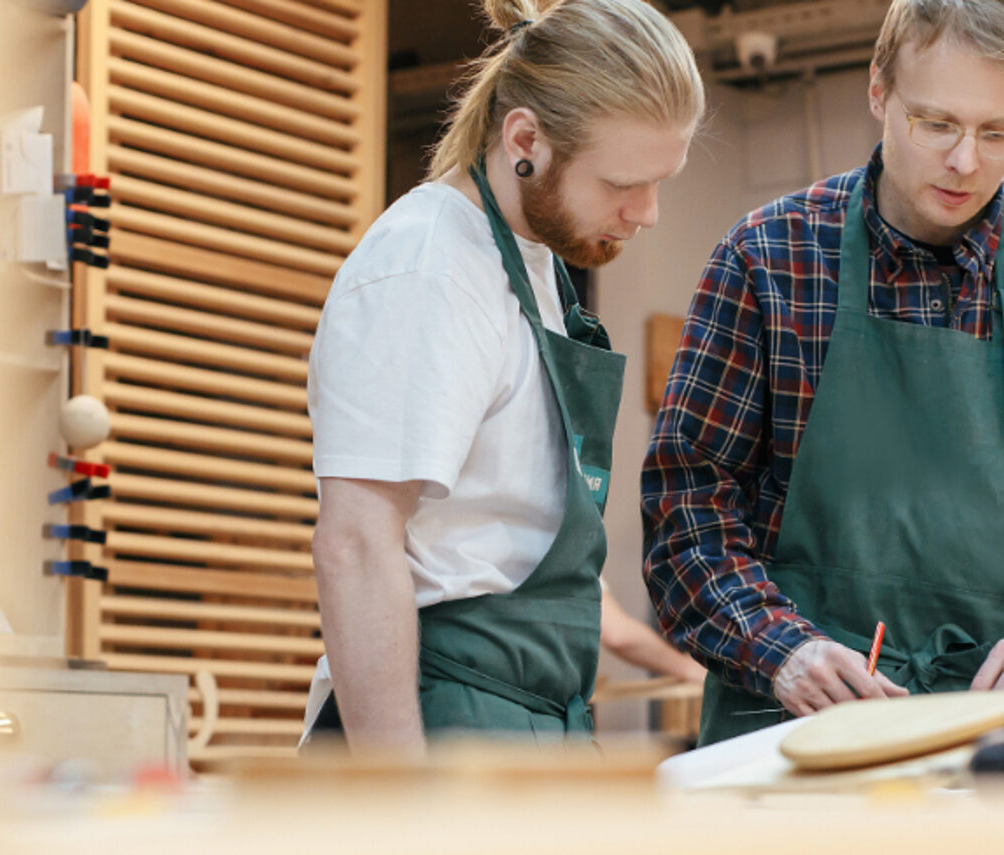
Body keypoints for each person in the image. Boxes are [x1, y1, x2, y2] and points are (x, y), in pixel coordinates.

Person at [642, 0, 1004, 746]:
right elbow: (687, 511)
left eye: (1000, 132)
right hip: (786, 737)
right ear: (879, 91)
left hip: (989, 736)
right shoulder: (767, 258)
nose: (966, 161)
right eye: (936, 124)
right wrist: (783, 650)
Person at [300, 0, 703, 756]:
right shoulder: (428, 267)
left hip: (532, 714)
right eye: (624, 182)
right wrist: (403, 800)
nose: (647, 212)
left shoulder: (533, 265)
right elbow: (356, 543)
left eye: (661, 182)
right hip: (443, 716)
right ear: (526, 141)